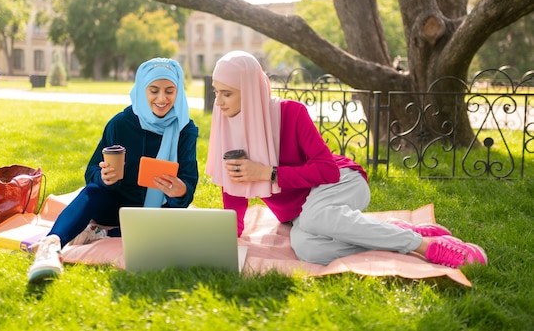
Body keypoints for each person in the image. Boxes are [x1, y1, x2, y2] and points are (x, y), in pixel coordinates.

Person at [205, 50, 487, 269]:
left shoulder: (291, 113)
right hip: (302, 215)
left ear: (251, 91)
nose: (218, 102)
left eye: (226, 93)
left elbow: (327, 170)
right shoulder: (228, 128)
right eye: (216, 92)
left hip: (340, 182)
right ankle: (395, 232)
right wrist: (230, 236)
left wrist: (270, 174)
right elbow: (234, 192)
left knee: (317, 216)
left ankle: (424, 246)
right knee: (308, 250)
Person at [28, 58, 199, 283]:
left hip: (159, 212)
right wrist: (102, 177)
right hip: (113, 205)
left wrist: (180, 190)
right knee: (93, 192)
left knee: (181, 232)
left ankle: (100, 234)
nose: (162, 99)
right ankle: (50, 247)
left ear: (179, 92)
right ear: (141, 89)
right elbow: (91, 171)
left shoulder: (186, 130)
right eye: (153, 90)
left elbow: (188, 181)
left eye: (170, 91)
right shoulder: (121, 123)